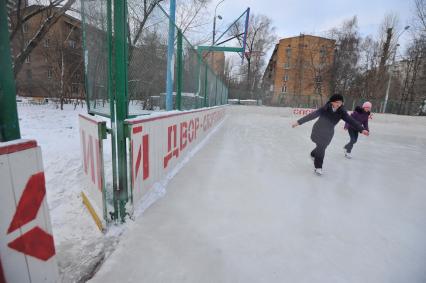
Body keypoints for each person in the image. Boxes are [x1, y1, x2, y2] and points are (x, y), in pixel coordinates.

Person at [292, 94, 369, 175]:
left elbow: (351, 121)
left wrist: (362, 129)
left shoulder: (342, 112)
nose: (339, 104)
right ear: (332, 102)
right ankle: (318, 167)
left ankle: (313, 155)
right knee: (321, 147)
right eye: (337, 102)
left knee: (322, 147)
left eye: (341, 102)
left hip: (328, 133)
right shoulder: (325, 108)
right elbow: (312, 115)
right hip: (318, 130)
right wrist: (298, 122)